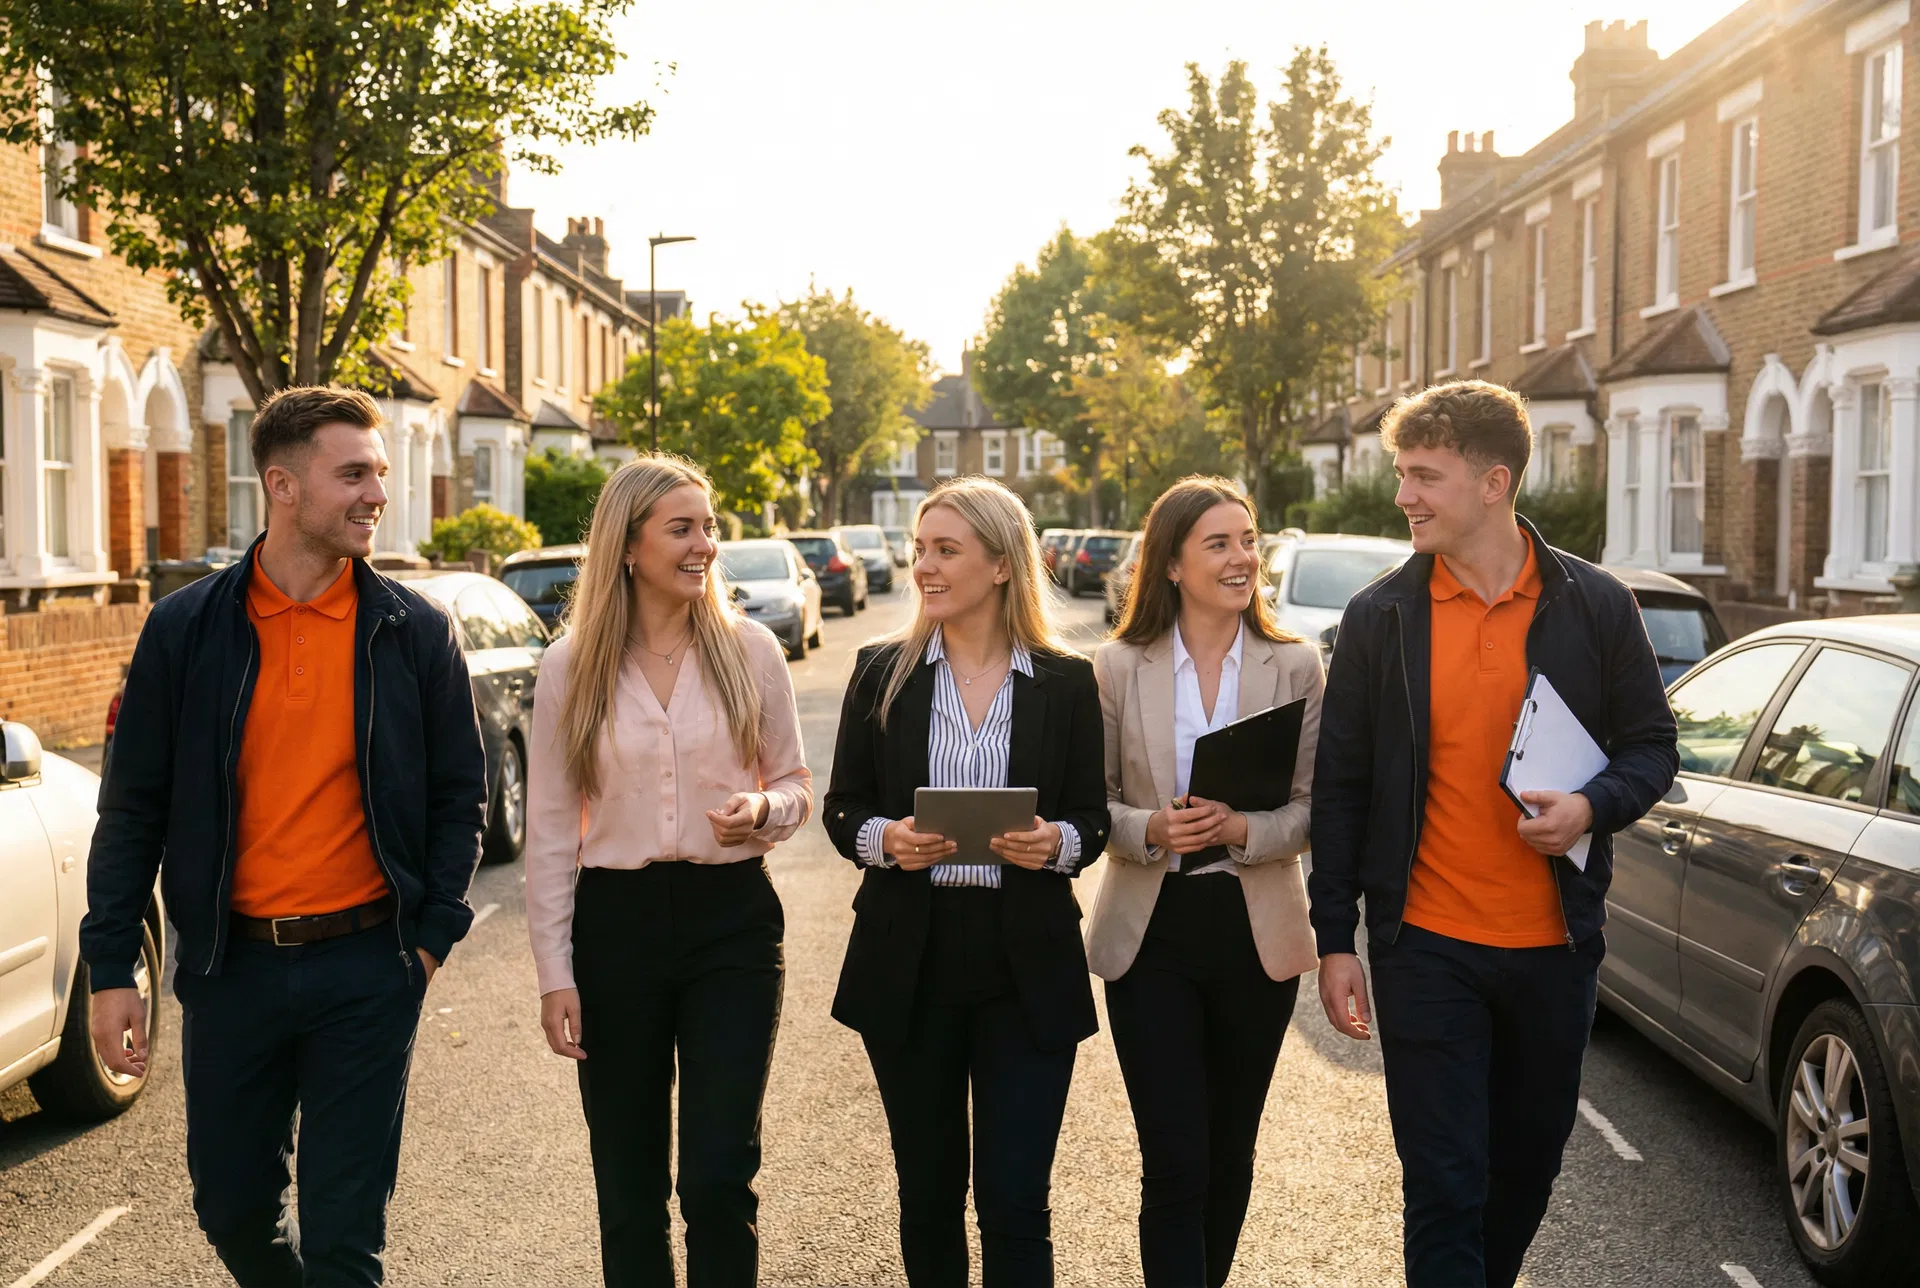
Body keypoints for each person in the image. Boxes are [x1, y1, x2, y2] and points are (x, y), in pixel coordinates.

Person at [80, 386, 488, 1287]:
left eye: (380, 472)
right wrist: (114, 967)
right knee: (229, 1210)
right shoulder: (186, 630)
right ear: (283, 486)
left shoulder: (413, 631)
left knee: (347, 1237)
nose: (377, 493)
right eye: (354, 474)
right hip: (233, 971)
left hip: (367, 967)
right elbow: (132, 809)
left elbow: (462, 796)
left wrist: (428, 943)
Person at [1307, 381, 1678, 1288]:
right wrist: (1334, 940)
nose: (1406, 496)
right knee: (1443, 1183)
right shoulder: (1378, 619)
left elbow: (1652, 750)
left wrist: (1590, 806)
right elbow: (1342, 789)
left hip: (1554, 950)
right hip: (1425, 949)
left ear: (1494, 482)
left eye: (1425, 476)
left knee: (1521, 1176)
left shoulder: (1596, 606)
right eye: (1402, 474)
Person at [527, 456, 812, 1288]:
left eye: (710, 527)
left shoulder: (751, 650)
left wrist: (763, 812)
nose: (706, 546)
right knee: (628, 1187)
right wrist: (555, 974)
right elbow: (549, 831)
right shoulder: (570, 664)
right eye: (682, 529)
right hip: (614, 926)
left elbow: (795, 784)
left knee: (719, 1176)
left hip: (732, 921)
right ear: (627, 545)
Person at [823, 476, 1109, 1288]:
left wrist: (1058, 842)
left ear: (1001, 565)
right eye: (920, 550)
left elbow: (1094, 819)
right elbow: (843, 807)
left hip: (1027, 960)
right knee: (929, 1196)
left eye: (946, 550)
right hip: (909, 958)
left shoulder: (1066, 680)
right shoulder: (881, 671)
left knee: (1017, 1202)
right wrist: (888, 840)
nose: (924, 567)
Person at [1085, 476, 1323, 1288]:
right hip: (1151, 933)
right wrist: (1149, 828)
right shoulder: (1116, 666)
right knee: (1175, 1158)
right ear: (1173, 564)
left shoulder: (1297, 665)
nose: (1241, 558)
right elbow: (1091, 807)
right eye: (1218, 543)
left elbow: (1313, 807)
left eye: (1248, 540)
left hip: (1254, 933)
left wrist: (1242, 830)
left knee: (1230, 1151)